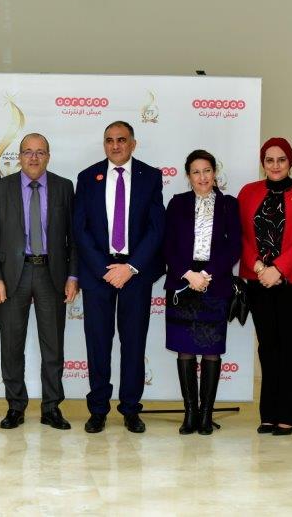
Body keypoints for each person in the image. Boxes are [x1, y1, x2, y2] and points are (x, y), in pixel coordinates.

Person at [73, 121, 165, 434]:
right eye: (109, 140)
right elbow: (80, 229)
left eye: (122, 140)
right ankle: (98, 409)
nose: (115, 146)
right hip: (98, 273)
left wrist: (131, 267)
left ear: (133, 144)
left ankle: (130, 409)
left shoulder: (150, 176)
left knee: (134, 343)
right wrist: (104, 269)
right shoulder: (87, 177)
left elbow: (156, 228)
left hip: (135, 273)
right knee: (98, 344)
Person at [0, 133, 79, 430]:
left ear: (48, 156)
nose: (33, 158)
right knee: (12, 345)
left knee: (53, 346)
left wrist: (73, 275)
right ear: (19, 156)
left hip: (52, 274)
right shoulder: (1, 188)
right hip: (14, 276)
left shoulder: (64, 187)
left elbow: (74, 238)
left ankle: (51, 408)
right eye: (27, 152)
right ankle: (15, 407)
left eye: (40, 152)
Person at [238, 138, 292, 436]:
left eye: (281, 159)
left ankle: (291, 415)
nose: (275, 165)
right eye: (269, 160)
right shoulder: (248, 192)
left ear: (290, 162)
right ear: (263, 163)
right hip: (258, 281)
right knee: (268, 348)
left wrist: (279, 269)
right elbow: (239, 235)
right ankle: (270, 413)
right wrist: (260, 268)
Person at [164, 150, 241, 435]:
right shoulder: (177, 203)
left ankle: (206, 414)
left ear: (214, 173)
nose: (202, 177)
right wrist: (188, 274)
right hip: (183, 283)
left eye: (207, 170)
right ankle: (190, 414)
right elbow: (167, 244)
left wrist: (207, 275)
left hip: (215, 283)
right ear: (188, 176)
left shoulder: (229, 205)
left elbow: (234, 246)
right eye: (196, 172)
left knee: (211, 352)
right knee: (185, 350)